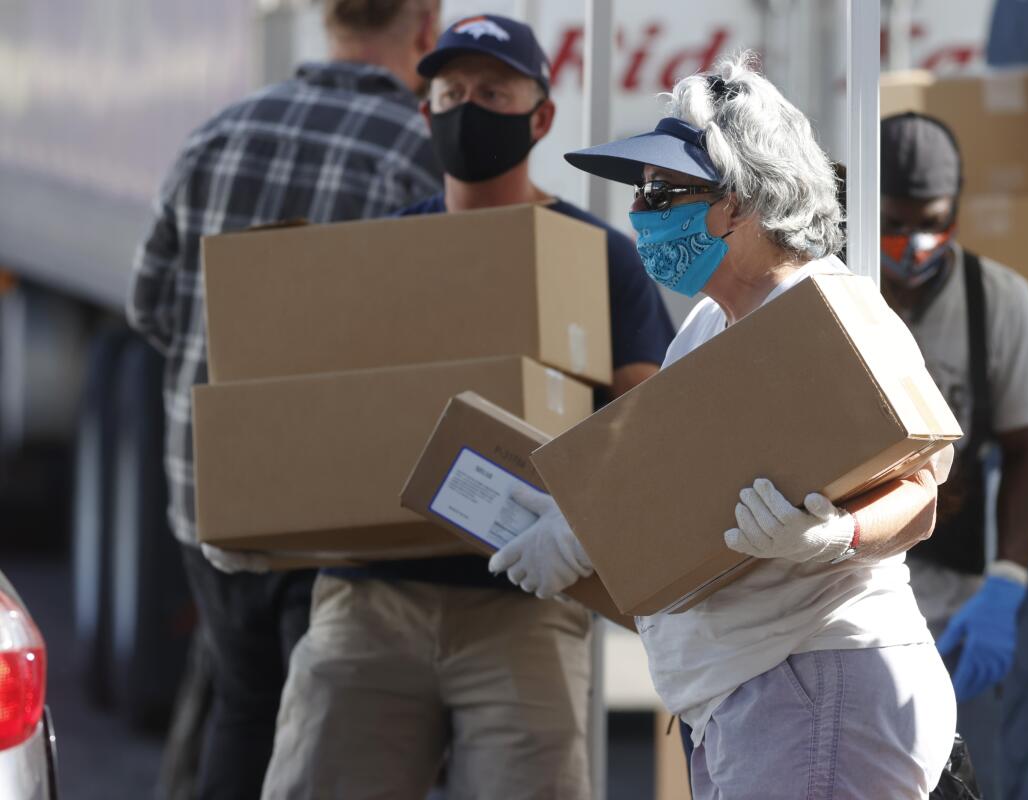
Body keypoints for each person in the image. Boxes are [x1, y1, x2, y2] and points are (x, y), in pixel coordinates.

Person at [491, 52, 958, 799]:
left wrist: (837, 535)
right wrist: (577, 530)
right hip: (755, 694)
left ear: (738, 203)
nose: (640, 212)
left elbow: (922, 489)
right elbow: (665, 468)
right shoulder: (711, 324)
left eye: (663, 191)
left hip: (817, 681)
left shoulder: (828, 313)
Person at [260, 15, 676, 800]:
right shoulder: (380, 253)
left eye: (493, 92)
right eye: (450, 93)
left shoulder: (600, 257)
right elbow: (314, 414)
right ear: (426, 109)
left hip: (522, 608)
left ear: (541, 116)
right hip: (371, 602)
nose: (467, 109)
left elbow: (646, 418)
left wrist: (580, 527)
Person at [125, 2, 441, 796]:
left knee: (242, 700)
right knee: (324, 725)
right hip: (340, 506)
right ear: (426, 27)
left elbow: (149, 306)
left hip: (214, 495)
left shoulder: (217, 134)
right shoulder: (417, 152)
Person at [877, 111, 1028, 791]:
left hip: (955, 611)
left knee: (958, 778)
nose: (914, 243)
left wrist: (1006, 584)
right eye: (895, 224)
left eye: (931, 221)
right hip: (850, 600)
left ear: (956, 209)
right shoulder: (836, 298)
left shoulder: (999, 302)